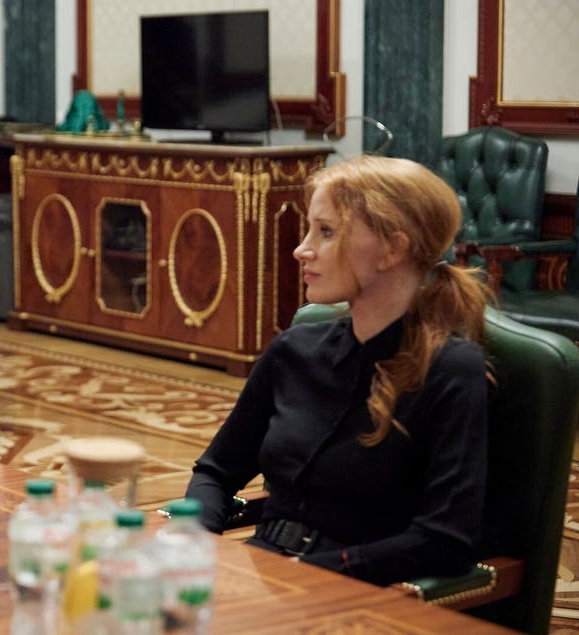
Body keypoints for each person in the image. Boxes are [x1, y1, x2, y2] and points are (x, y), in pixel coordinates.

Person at [185, 155, 491, 586]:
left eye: (326, 232)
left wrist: (308, 575)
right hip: (266, 577)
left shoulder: (451, 369)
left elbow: (446, 540)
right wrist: (193, 542)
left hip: (361, 598)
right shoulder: (293, 350)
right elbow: (216, 472)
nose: (301, 249)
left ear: (393, 248)